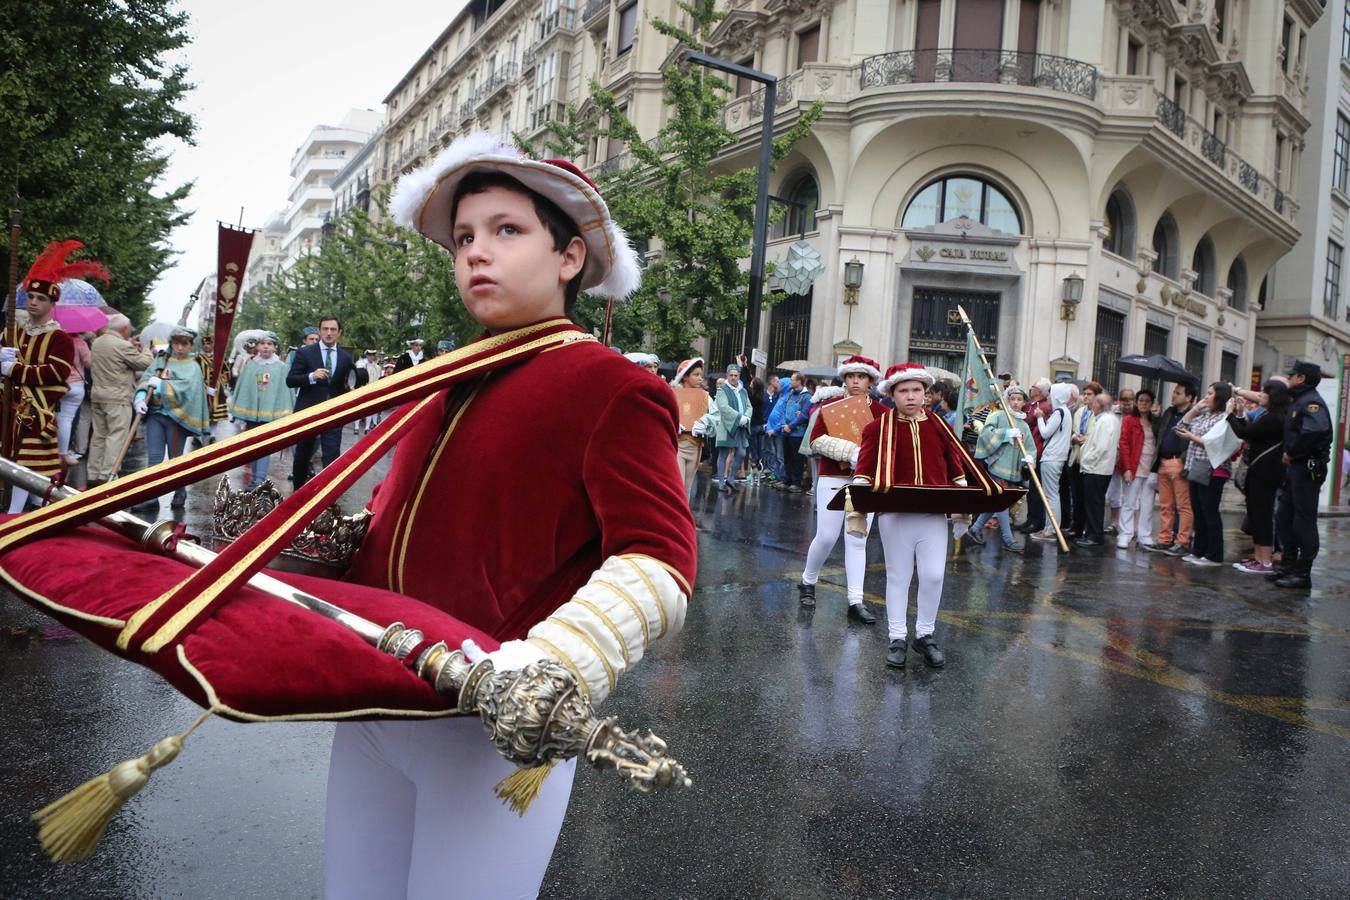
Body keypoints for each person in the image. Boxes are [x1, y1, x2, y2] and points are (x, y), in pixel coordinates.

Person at [312, 131, 698, 899]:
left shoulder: (611, 386)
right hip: (370, 703)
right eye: (462, 238)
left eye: (506, 230)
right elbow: (406, 524)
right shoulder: (444, 377)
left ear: (569, 259)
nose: (474, 253)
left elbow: (662, 558)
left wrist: (541, 668)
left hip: (482, 727)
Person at [854, 363, 980, 669]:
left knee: (934, 575)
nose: (911, 396)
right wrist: (856, 512)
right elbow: (863, 473)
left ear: (925, 394)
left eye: (917, 390)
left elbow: (956, 468)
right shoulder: (877, 428)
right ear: (892, 394)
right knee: (898, 576)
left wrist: (963, 510)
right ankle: (897, 637)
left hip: (932, 515)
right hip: (894, 514)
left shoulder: (939, 426)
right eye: (904, 391)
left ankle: (925, 635)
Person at [1, 241, 97, 512]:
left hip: (36, 412)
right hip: (8, 408)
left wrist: (14, 369)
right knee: (13, 466)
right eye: (31, 297)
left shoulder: (61, 339)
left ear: (52, 303)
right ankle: (39, 510)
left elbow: (55, 373)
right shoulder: (15, 332)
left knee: (26, 467)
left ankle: (15, 517)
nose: (33, 302)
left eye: (41, 298)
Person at [798, 355, 885, 621]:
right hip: (834, 476)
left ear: (870, 380)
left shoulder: (882, 412)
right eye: (851, 376)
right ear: (844, 379)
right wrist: (850, 452)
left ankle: (855, 601)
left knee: (857, 538)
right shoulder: (831, 406)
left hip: (864, 480)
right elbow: (816, 440)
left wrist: (869, 457)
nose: (856, 381)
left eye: (861, 376)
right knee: (826, 535)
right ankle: (807, 581)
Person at [1269, 361, 1333, 588]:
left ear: (1301, 379)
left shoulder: (1311, 402)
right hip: (1295, 468)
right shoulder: (1299, 400)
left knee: (1303, 521)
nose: (1289, 379)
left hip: (1306, 467)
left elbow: (1315, 431)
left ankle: (1302, 574)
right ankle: (1288, 566)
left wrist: (1292, 452)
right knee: (1285, 516)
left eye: (1292, 376)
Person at [132, 327, 209, 512]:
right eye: (176, 343)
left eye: (184, 344)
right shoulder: (161, 360)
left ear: (191, 345)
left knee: (175, 459)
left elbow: (186, 389)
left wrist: (161, 386)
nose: (180, 347)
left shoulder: (193, 366)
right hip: (156, 415)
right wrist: (141, 396)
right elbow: (147, 378)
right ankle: (151, 498)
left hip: (176, 418)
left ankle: (180, 491)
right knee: (155, 459)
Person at [1226, 380, 1288, 574]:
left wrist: (1230, 415)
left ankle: (1265, 561)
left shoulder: (1275, 418)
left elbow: (1245, 433)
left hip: (1265, 473)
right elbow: (1252, 433)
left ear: (1274, 397)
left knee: (1262, 516)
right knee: (1255, 514)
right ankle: (1259, 557)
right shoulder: (1270, 415)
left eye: (1263, 394)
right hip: (1259, 470)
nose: (1260, 397)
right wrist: (1239, 415)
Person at [87, 314, 155, 486]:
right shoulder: (122, 345)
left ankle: (93, 474)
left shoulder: (98, 342)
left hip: (97, 395)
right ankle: (108, 474)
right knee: (116, 436)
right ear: (124, 328)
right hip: (117, 397)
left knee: (99, 436)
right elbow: (144, 363)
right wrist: (146, 349)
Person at [286, 315, 353, 490]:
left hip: (333, 413)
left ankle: (327, 498)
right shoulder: (305, 352)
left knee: (332, 456)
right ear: (320, 330)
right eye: (325, 329)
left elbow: (344, 385)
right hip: (308, 411)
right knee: (303, 455)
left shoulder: (346, 357)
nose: (328, 333)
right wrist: (311, 376)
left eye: (333, 329)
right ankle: (297, 494)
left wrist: (352, 389)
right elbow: (290, 380)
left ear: (339, 333)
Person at [968, 385, 1036, 554]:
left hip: (1013, 470)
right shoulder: (998, 415)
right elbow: (985, 433)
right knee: (1002, 503)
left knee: (999, 502)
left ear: (1023, 402)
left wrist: (1029, 458)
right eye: (1012, 399)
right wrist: (1005, 433)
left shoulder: (1024, 425)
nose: (1015, 403)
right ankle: (1008, 539)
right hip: (997, 466)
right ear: (1007, 400)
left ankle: (975, 528)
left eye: (1019, 399)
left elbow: (1030, 447)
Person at [1174, 381, 1234, 566]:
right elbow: (1178, 429)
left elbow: (1214, 443)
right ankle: (1198, 550)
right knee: (1198, 510)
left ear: (1220, 397)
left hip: (1213, 468)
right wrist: (1194, 410)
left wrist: (1192, 437)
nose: (1206, 397)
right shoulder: (1204, 414)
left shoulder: (1225, 418)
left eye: (1210, 394)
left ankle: (1214, 554)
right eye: (1206, 393)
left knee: (1209, 510)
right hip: (1195, 466)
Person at [229, 332, 294, 486]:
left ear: (275, 348)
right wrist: (241, 412)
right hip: (252, 416)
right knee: (252, 448)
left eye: (270, 344)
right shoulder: (251, 365)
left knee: (264, 447)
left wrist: (283, 414)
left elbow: (285, 392)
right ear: (257, 346)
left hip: (270, 416)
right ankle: (253, 480)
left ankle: (259, 480)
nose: (265, 346)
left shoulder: (282, 368)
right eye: (263, 343)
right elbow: (244, 389)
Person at [1148, 382, 1197, 556]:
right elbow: (1160, 433)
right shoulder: (1169, 412)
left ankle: (1182, 542)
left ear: (1189, 397)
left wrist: (1184, 461)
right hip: (1163, 462)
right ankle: (1164, 540)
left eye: (1178, 392)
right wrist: (1155, 417)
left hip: (1179, 462)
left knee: (1183, 506)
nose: (1173, 395)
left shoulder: (1194, 415)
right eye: (1174, 392)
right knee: (1165, 505)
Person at [1030, 382, 1075, 543]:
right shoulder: (1066, 412)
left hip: (1052, 457)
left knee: (1051, 495)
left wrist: (1040, 418)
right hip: (1057, 457)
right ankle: (1052, 528)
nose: (1048, 399)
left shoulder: (1059, 412)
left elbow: (1045, 433)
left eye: (1050, 395)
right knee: (1053, 494)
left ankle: (1050, 529)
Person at [1076, 392, 1120, 548]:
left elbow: (1100, 447)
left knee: (1094, 504)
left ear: (1099, 405)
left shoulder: (1105, 421)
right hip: (1098, 468)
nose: (1091, 404)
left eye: (1094, 402)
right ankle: (1091, 533)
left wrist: (1087, 460)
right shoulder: (1106, 419)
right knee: (1093, 503)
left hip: (1096, 469)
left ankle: (1095, 535)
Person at [670, 357, 717, 499]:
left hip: (696, 447)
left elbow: (716, 417)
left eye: (701, 375)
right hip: (676, 446)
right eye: (696, 375)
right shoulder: (672, 394)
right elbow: (662, 414)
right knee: (677, 487)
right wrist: (673, 424)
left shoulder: (705, 396)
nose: (700, 379)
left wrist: (705, 422)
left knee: (687, 489)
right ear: (685, 376)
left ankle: (683, 520)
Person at [1117, 389, 1156, 550]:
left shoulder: (1156, 422)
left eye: (1147, 401)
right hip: (1134, 465)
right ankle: (1125, 533)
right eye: (1141, 400)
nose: (1143, 403)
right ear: (1136, 402)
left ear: (1152, 404)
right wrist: (1127, 468)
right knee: (1129, 501)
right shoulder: (1129, 420)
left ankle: (1144, 534)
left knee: (1147, 503)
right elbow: (1124, 444)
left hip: (1151, 466)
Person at [1065, 381, 1099, 536]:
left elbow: (1097, 435)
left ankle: (1086, 527)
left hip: (1089, 458)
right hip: (1076, 456)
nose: (1085, 397)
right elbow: (1073, 430)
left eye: (1089, 394)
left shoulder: (1099, 415)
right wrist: (1075, 437)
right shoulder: (1079, 412)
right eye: (1084, 394)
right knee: (1076, 495)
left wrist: (1086, 438)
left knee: (1088, 497)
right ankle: (1076, 526)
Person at [712, 363, 752, 492]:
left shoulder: (743, 390)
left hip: (741, 427)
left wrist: (746, 417)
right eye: (731, 375)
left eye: (736, 375)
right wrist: (739, 418)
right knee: (723, 454)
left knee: (741, 453)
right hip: (726, 425)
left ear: (739, 376)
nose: (733, 377)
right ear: (727, 376)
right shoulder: (722, 389)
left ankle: (731, 478)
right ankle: (722, 482)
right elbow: (723, 407)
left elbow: (749, 406)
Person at [774, 372, 811, 492]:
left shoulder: (806, 397)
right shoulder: (790, 395)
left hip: (797, 433)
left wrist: (791, 426)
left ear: (799, 382)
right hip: (786, 431)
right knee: (787, 458)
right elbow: (783, 410)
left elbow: (804, 415)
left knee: (797, 459)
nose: (790, 382)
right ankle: (787, 480)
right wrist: (784, 424)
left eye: (792, 380)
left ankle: (796, 482)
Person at [352, 349, 385, 436]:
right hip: (362, 389)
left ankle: (367, 428)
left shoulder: (377, 367)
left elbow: (379, 379)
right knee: (359, 409)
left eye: (372, 355)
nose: (371, 357)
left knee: (370, 410)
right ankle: (356, 427)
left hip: (372, 390)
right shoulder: (361, 364)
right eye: (369, 355)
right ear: (366, 355)